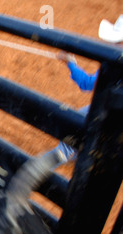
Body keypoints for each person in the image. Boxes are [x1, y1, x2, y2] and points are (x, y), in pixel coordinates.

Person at [50, 14, 122, 163]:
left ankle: (55, 162)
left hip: (111, 113)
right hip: (116, 113)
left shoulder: (115, 65)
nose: (111, 44)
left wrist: (70, 63)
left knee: (72, 127)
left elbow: (87, 84)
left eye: (116, 42)